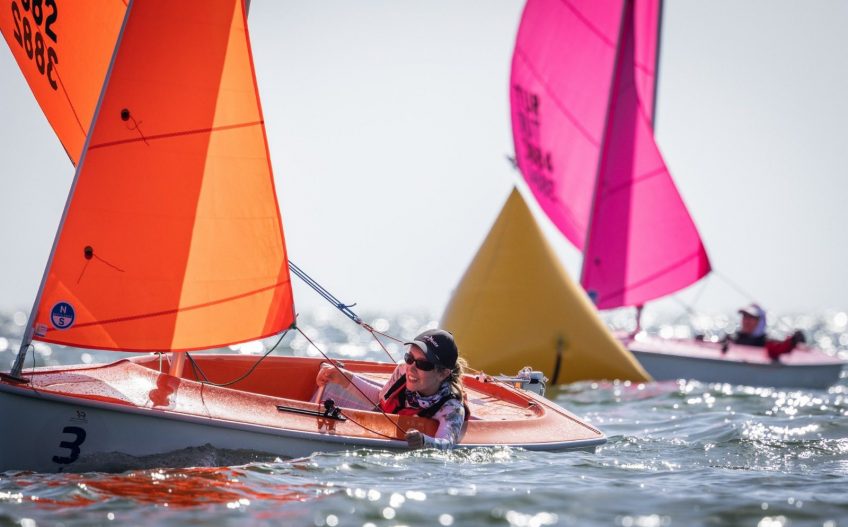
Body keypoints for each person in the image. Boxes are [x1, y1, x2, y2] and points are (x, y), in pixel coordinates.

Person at [315, 329, 469, 449]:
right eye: (410, 358)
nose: (411, 368)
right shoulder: (402, 371)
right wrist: (344, 378)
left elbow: (446, 443)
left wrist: (423, 441)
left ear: (443, 373)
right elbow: (381, 399)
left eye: (423, 364)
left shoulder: (452, 409)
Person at [727, 303, 805, 360]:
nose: (746, 321)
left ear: (760, 322)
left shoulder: (765, 342)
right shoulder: (733, 339)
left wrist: (793, 340)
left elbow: (781, 348)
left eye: (751, 317)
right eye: (744, 316)